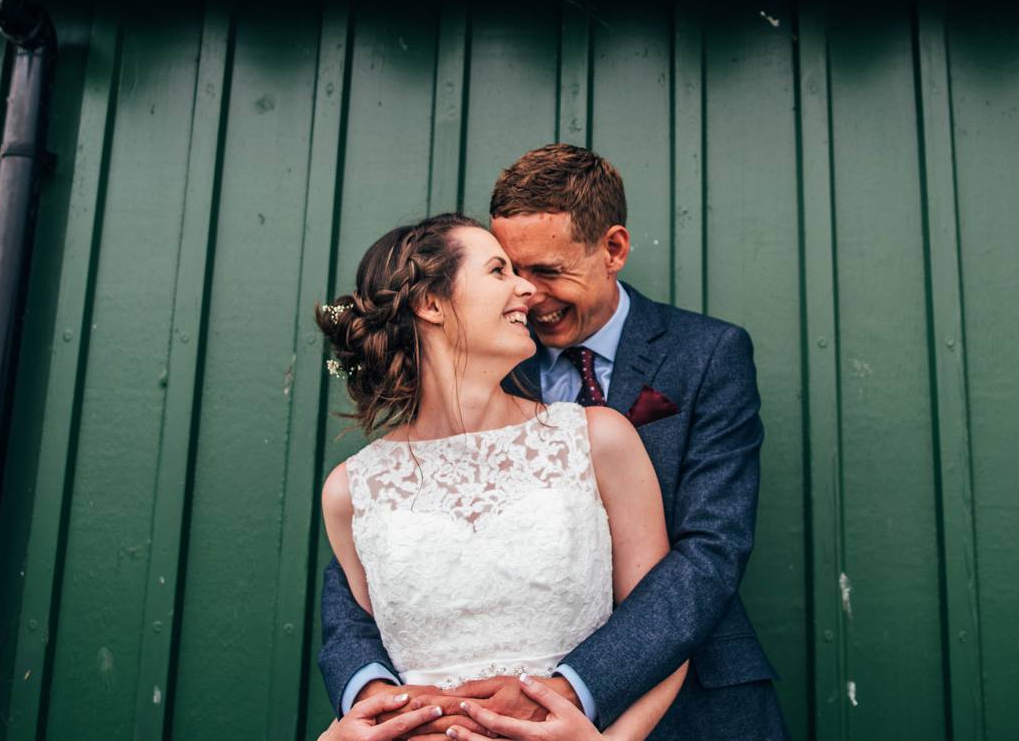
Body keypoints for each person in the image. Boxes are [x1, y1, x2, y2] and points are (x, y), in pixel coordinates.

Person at [320, 146, 788, 740]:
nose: (527, 293)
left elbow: (709, 554)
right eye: (505, 269)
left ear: (612, 249)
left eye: (544, 271)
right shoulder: (489, 359)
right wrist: (375, 698)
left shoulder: (706, 355)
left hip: (685, 702)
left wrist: (566, 694)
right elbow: (368, 572)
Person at [315, 212, 686, 741]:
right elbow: (363, 646)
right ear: (430, 303)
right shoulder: (351, 491)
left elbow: (665, 631)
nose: (526, 289)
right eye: (498, 271)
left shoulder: (597, 439)